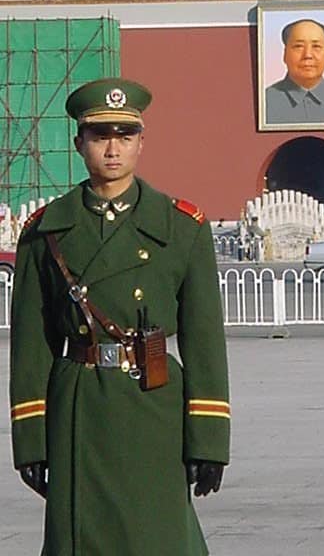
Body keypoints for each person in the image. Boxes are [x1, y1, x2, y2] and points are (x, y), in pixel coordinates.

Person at [9, 78, 230, 555]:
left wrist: (209, 437)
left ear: (141, 143)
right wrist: (31, 439)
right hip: (80, 405)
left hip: (154, 407)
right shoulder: (47, 230)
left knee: (161, 537)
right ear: (79, 143)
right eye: (100, 136)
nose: (113, 149)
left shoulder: (180, 225)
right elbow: (31, 344)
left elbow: (204, 339)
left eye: (125, 136)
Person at [265, 19, 324, 125]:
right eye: (299, 46)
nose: (308, 55)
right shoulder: (265, 101)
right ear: (285, 54)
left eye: (316, 46)